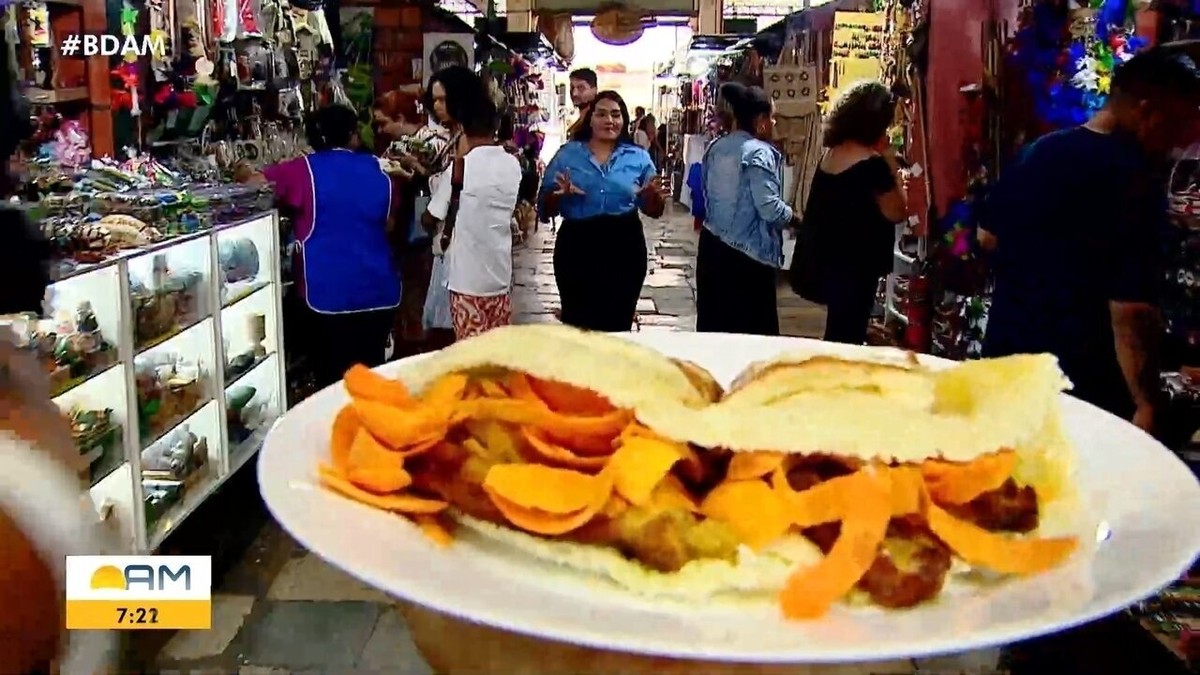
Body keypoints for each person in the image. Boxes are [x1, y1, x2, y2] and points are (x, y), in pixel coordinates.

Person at [978, 48, 1200, 431]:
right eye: (1178, 125)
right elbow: (1129, 311)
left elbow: (987, 237)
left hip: (1006, 363)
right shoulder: (1133, 179)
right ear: (1148, 112)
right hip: (1080, 386)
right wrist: (1146, 402)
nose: (1179, 142)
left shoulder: (1041, 151)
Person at [243, 104, 400, 387]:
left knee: (331, 382)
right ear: (353, 135)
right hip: (379, 292)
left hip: (326, 293)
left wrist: (243, 169)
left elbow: (254, 185)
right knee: (372, 378)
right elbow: (389, 224)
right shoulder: (379, 169)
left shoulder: (302, 170)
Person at [540, 90, 666, 331]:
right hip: (577, 246)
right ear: (590, 119)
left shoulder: (638, 158)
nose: (609, 120)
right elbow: (545, 207)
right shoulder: (568, 155)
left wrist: (650, 197)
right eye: (602, 114)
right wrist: (557, 196)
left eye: (616, 115)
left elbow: (655, 210)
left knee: (618, 326)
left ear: (624, 120)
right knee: (577, 327)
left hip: (625, 246)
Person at [797, 80, 906, 345]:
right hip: (856, 267)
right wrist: (890, 158)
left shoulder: (832, 154)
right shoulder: (872, 166)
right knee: (848, 334)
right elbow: (897, 211)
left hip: (829, 261)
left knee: (839, 330)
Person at [696, 83, 797, 335]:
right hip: (746, 260)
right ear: (761, 121)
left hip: (712, 249)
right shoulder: (760, 152)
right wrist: (796, 219)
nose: (774, 123)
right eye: (772, 117)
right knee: (750, 340)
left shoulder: (716, 147)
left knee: (715, 333)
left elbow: (707, 195)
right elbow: (769, 208)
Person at [426, 76, 522, 340]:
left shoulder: (459, 169)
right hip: (500, 279)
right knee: (494, 354)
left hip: (467, 282)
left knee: (469, 357)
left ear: (463, 128)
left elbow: (431, 217)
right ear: (495, 126)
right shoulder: (513, 165)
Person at [565, 68, 598, 138]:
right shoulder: (580, 122)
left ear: (594, 90)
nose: (574, 93)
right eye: (572, 87)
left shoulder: (596, 125)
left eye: (581, 88)